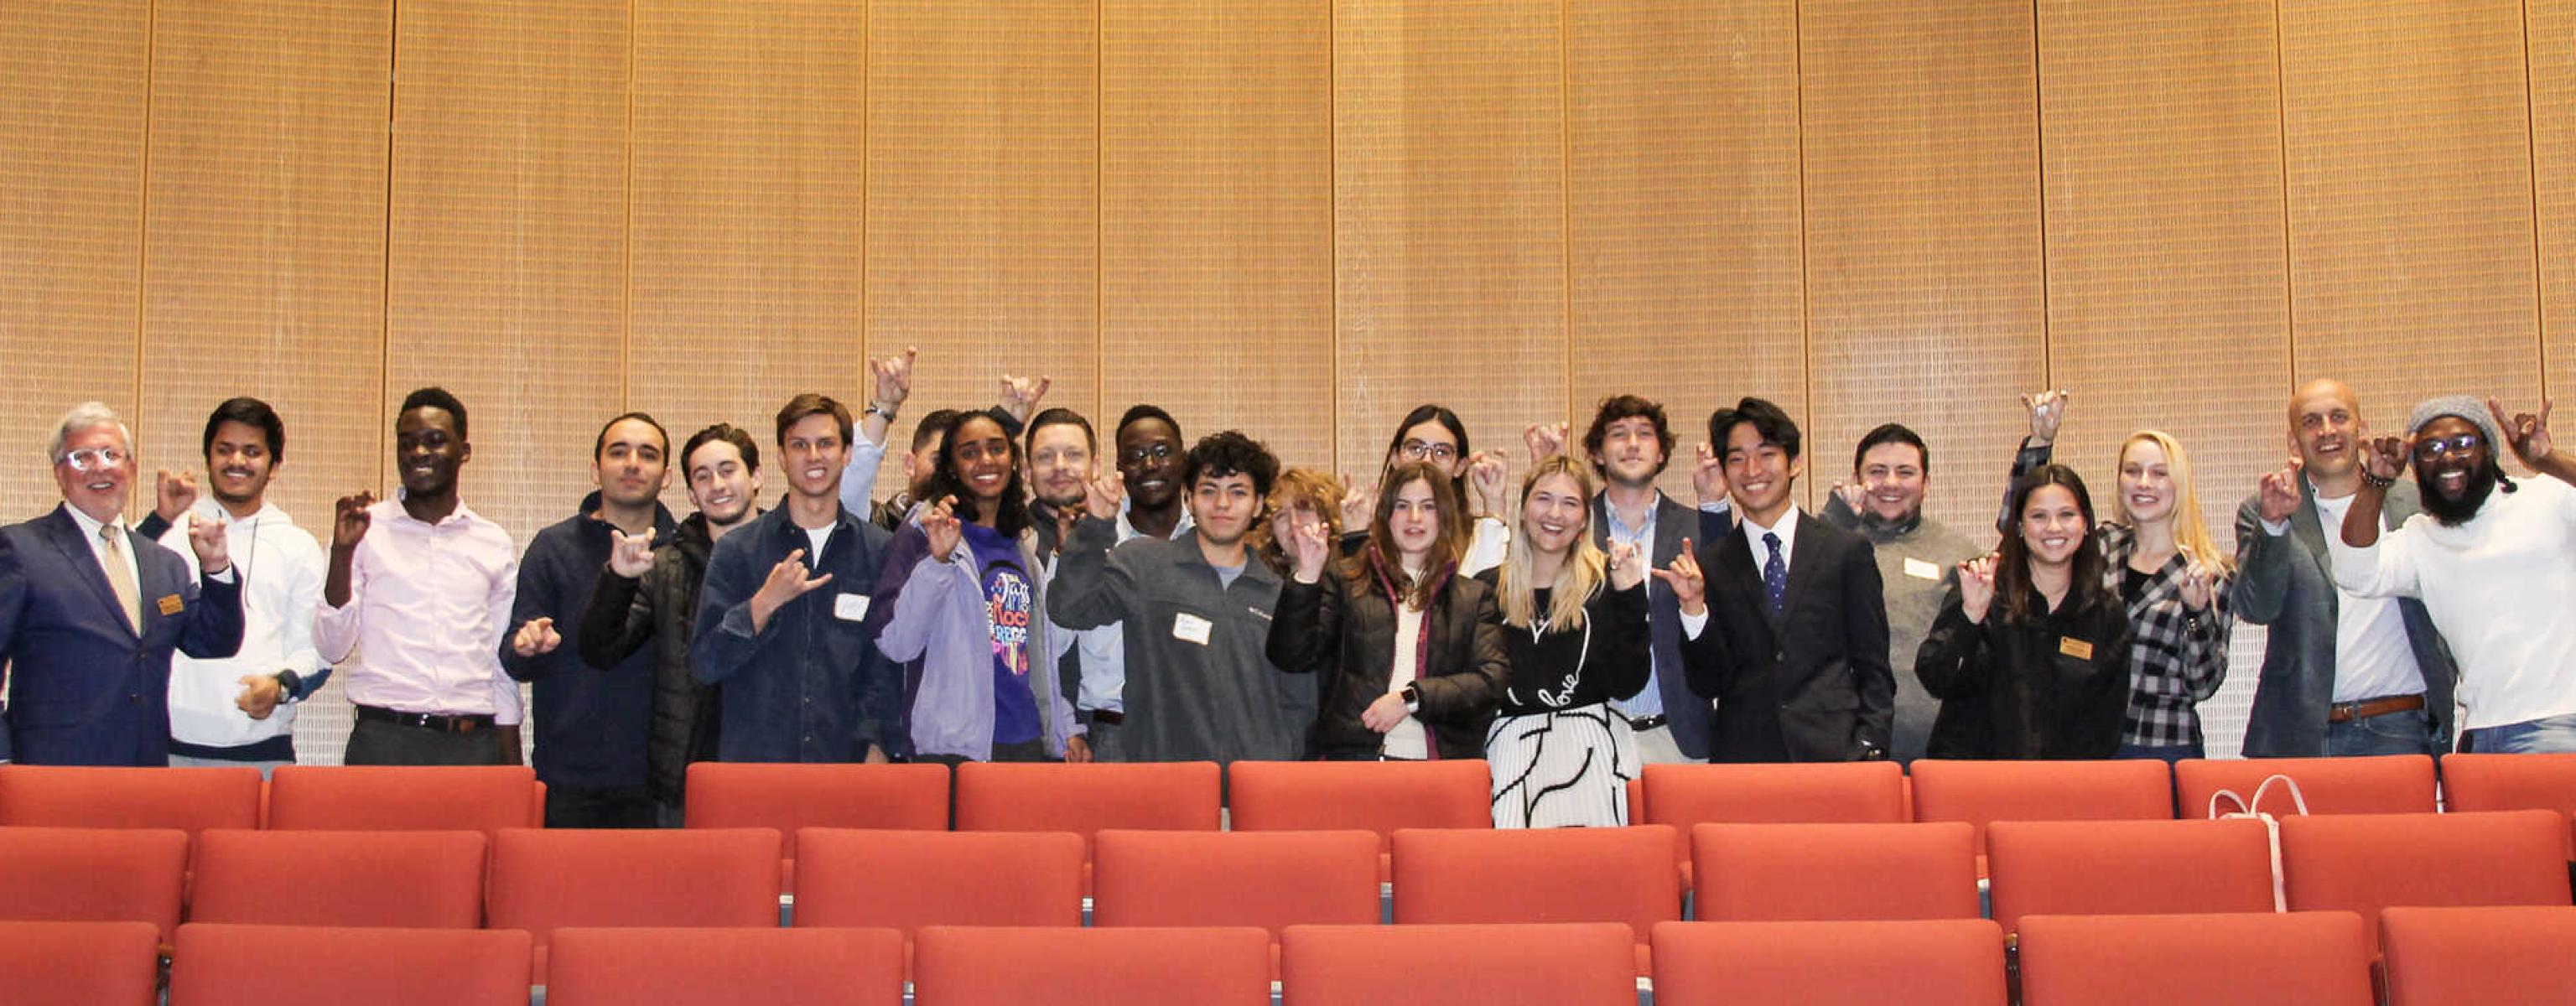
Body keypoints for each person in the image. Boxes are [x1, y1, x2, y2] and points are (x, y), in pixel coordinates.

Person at [1048, 431, 1315, 765]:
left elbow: (1298, 701)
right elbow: (1070, 609)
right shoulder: (1142, 564)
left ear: (1259, 504)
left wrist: (1278, 761)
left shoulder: (1278, 595)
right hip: (1165, 786)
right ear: (1189, 499)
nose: (1222, 505)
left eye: (1238, 492)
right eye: (1208, 491)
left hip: (1252, 789)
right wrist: (1096, 527)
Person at [0, 402, 242, 765]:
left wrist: (216, 568)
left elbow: (214, 642)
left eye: (112, 454)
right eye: (82, 457)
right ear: (60, 474)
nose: (101, 466)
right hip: (48, 772)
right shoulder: (22, 549)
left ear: (131, 468)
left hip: (143, 771)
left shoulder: (164, 564)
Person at [2331, 395, 2576, 754]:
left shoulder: (2544, 499)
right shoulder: (2420, 536)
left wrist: (2547, 460)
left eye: (2462, 444)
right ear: (2415, 465)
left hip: (2559, 723)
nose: (2447, 457)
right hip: (2480, 734)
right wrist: (2377, 482)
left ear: (2489, 451)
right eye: (2430, 449)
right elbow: (2354, 573)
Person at [2234, 380, 2455, 758]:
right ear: (2293, 442)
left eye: (2339, 417)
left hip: (2400, 728)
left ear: (2362, 429)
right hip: (2300, 735)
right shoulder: (2265, 508)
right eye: (2311, 422)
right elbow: (2256, 607)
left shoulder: (2415, 504)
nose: (2327, 431)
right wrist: (2273, 526)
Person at [2012, 395, 2237, 762]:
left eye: (2159, 473)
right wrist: (2040, 443)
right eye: (2132, 471)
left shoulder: (2212, 571)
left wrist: (2197, 614)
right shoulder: (2100, 547)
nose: (2144, 483)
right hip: (2085, 741)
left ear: (2178, 483)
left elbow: (2203, 684)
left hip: (2162, 743)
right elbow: (2022, 524)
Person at [1672, 397, 1894, 762]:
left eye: (1766, 454)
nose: (1752, 470)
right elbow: (1707, 682)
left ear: (1794, 463)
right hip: (1745, 762)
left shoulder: (1845, 551)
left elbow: (1874, 667)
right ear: (1725, 475)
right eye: (1737, 459)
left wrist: (1869, 746)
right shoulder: (1710, 564)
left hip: (1836, 757)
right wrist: (1693, 610)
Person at [314, 388, 524, 765]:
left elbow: (499, 661)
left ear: (464, 452)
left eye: (435, 441)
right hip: (384, 741)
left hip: (472, 743)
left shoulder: (492, 541)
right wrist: (342, 554)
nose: (418, 453)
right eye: (407, 443)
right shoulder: (364, 529)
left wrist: (512, 764)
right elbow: (332, 647)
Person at [866, 411, 1088, 764]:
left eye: (997, 449)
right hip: (955, 748)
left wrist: (1064, 726)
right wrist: (937, 564)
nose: (986, 460)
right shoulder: (925, 531)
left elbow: (1039, 651)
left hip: (1028, 740)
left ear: (1013, 461)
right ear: (951, 467)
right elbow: (896, 643)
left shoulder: (1023, 544)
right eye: (969, 452)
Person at [692, 393, 900, 764]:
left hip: (848, 765)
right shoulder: (737, 550)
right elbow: (706, 663)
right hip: (756, 765)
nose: (814, 456)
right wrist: (763, 603)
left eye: (826, 444)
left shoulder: (879, 550)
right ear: (781, 459)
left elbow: (885, 664)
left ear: (847, 454)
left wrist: (877, 743)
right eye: (799, 446)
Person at [499, 412, 679, 827]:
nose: (632, 463)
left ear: (666, 476)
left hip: (662, 782)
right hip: (569, 777)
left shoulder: (683, 552)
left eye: (647, 455)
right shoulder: (553, 547)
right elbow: (515, 658)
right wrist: (529, 646)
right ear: (595, 468)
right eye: (619, 452)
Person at [582, 423, 766, 822]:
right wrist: (618, 580)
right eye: (703, 476)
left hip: (773, 768)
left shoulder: (789, 559)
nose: (717, 485)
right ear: (690, 494)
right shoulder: (666, 565)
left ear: (756, 477)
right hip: (686, 779)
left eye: (728, 470)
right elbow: (601, 650)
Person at [1267, 461, 1508, 761]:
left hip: (1440, 770)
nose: (1414, 518)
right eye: (1402, 506)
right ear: (1386, 516)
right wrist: (1306, 577)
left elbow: (1490, 681)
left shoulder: (1472, 598)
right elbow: (1291, 657)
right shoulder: (1347, 583)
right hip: (1356, 763)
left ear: (1444, 516)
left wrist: (1412, 698)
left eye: (1428, 506)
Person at [141, 398, 328, 775]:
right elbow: (117, 586)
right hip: (167, 750)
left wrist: (279, 686)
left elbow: (314, 651)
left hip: (261, 754)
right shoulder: (171, 531)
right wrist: (158, 522)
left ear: (275, 466)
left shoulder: (298, 545)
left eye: (252, 452)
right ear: (208, 457)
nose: (237, 461)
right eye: (224, 450)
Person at [1914, 465, 2129, 759]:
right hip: (1975, 786)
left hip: (2061, 790)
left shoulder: (2106, 614)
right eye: (2039, 516)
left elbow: (2106, 726)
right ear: (2019, 526)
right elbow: (1937, 678)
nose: (2053, 527)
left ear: (2086, 524)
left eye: (2067, 515)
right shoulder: (1985, 589)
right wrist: (1971, 617)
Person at [1485, 456, 1651, 827]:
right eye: (1543, 499)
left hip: (1592, 751)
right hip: (1511, 755)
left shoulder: (1608, 582)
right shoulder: (1486, 587)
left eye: (1570, 503)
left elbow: (1626, 684)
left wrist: (1631, 597)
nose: (1555, 513)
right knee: (1517, 878)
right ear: (1524, 509)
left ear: (1584, 520)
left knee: (1594, 878)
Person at [1816, 423, 1987, 764]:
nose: (1891, 483)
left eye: (1905, 472)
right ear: (1857, 479)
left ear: (1926, 483)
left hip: (1938, 746)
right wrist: (1836, 520)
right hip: (1846, 744)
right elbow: (1798, 592)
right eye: (1877, 472)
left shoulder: (1959, 552)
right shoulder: (1829, 545)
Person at [1576, 394, 1716, 764]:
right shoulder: (1574, 529)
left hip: (1678, 735)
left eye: (1644, 434)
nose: (1633, 444)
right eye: (1619, 434)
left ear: (1661, 454)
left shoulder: (1697, 529)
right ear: (1597, 453)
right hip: (1591, 734)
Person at [1345, 405, 1512, 575]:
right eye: (1415, 448)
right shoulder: (1369, 531)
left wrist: (1494, 503)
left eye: (1441, 452)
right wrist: (1355, 538)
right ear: (1395, 458)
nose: (1426, 460)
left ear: (1460, 467)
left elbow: (1488, 591)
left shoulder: (1477, 534)